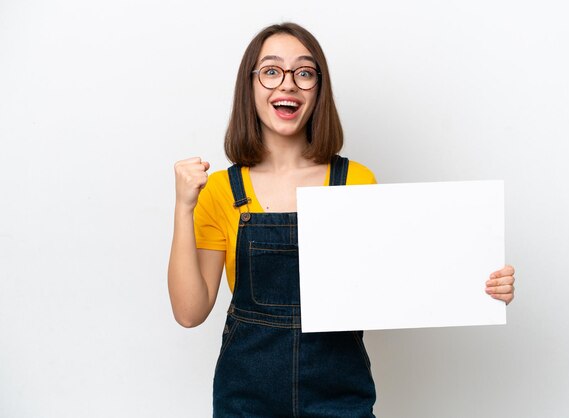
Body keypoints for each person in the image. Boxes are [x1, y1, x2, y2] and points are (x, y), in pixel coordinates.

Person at [168, 22, 516, 417]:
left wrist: (480, 284)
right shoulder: (219, 190)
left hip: (338, 393)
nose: (288, 84)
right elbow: (189, 312)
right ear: (249, 87)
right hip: (246, 395)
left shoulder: (355, 181)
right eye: (271, 71)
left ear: (319, 89)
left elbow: (401, 278)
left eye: (304, 72)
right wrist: (183, 206)